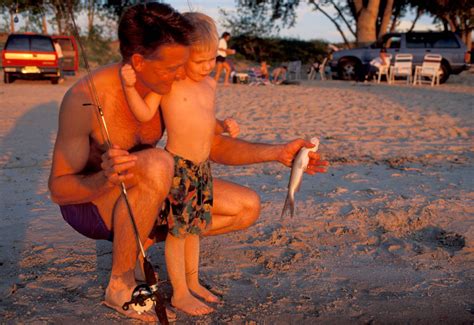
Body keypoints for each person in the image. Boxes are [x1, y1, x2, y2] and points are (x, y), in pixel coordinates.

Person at [48, 3, 328, 322]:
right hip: (95, 204)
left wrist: (277, 153)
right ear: (139, 60)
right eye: (175, 64)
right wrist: (105, 177)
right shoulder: (87, 95)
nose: (182, 71)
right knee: (158, 164)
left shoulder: (177, 81)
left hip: (163, 181)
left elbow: (211, 143)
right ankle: (121, 282)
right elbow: (61, 190)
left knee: (246, 206)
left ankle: (152, 246)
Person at [121, 12, 237, 316]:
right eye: (199, 61)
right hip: (179, 169)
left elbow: (204, 121)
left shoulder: (210, 85)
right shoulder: (169, 84)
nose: (207, 67)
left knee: (194, 230)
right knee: (178, 233)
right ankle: (180, 293)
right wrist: (131, 87)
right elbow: (145, 113)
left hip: (202, 169)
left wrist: (222, 125)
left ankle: (193, 282)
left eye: (212, 59)